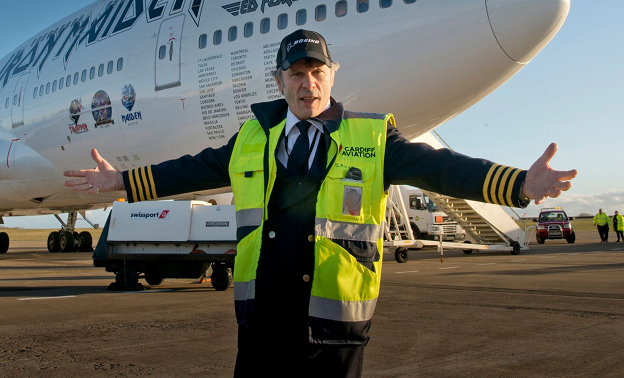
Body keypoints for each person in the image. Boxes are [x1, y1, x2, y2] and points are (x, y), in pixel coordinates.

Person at [65, 29, 577, 378]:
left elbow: (443, 167)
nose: (307, 84)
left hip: (331, 327)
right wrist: (122, 181)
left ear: (332, 75)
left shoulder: (374, 137)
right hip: (261, 321)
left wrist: (518, 184)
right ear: (279, 81)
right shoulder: (253, 137)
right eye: (296, 74)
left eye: (316, 72)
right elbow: (191, 168)